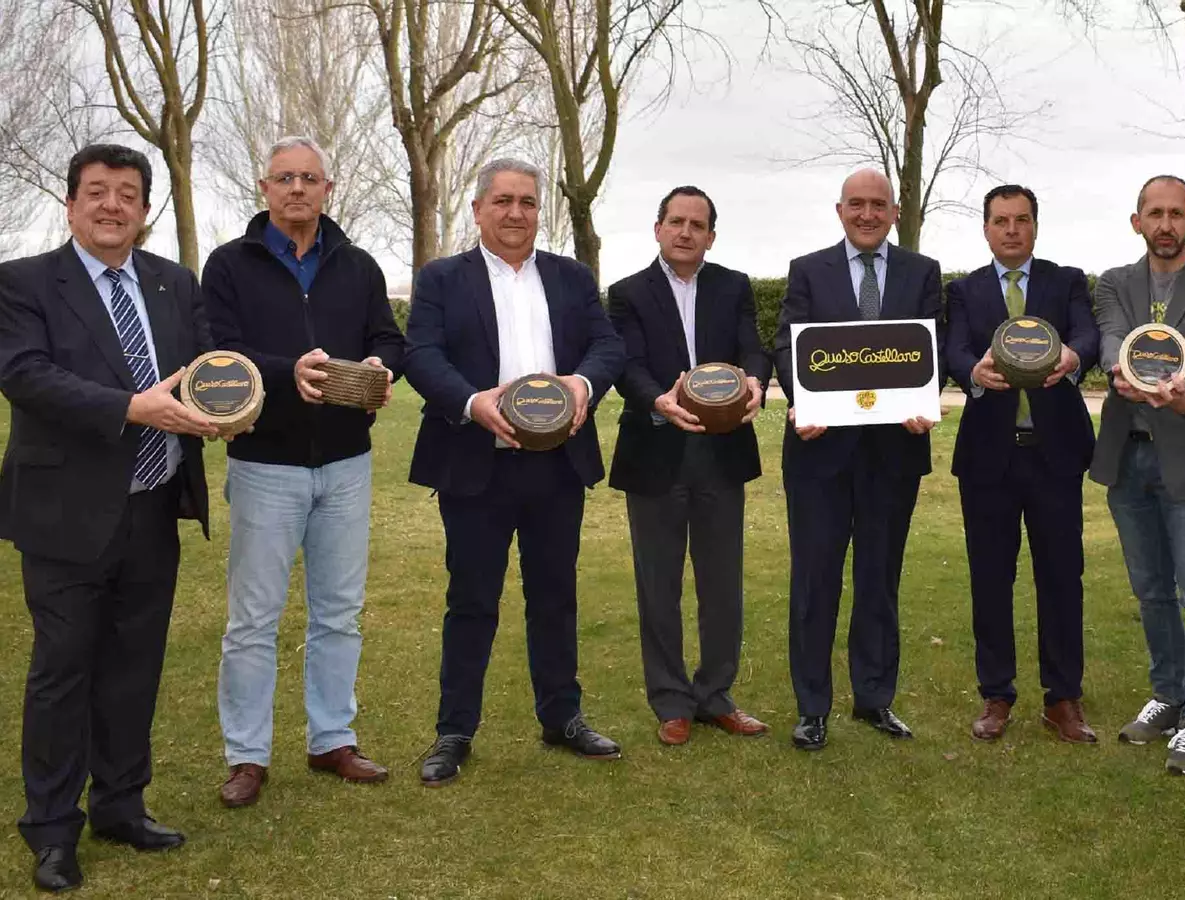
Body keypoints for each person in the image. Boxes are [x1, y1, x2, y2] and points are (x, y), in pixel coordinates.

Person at [0, 144, 216, 892]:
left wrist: (235, 401)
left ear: (145, 210)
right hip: (65, 514)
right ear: (71, 205)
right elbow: (24, 375)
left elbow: (209, 367)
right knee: (62, 673)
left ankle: (121, 806)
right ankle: (52, 829)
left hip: (154, 505)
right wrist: (131, 407)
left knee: (134, 666)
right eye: (96, 191)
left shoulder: (172, 282)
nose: (112, 205)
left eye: (128, 193)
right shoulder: (23, 282)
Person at [405, 158, 626, 784]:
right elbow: (421, 354)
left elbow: (607, 346)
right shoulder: (442, 278)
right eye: (502, 201)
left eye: (527, 202)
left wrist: (582, 386)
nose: (515, 212)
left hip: (557, 466)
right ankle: (455, 730)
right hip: (476, 465)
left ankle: (562, 716)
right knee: (471, 600)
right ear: (478, 209)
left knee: (555, 596)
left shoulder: (571, 277)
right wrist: (473, 403)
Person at [204, 136, 404, 808]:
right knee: (253, 620)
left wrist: (381, 367)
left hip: (346, 463)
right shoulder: (229, 264)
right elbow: (217, 351)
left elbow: (388, 337)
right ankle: (247, 755)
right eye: (285, 177)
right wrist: (286, 372)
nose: (297, 188)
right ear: (264, 188)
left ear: (327, 189)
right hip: (265, 462)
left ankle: (331, 739)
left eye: (309, 178)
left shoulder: (359, 265)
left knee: (339, 614)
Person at [772, 168, 941, 751]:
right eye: (857, 204)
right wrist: (801, 399)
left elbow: (930, 347)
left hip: (894, 451)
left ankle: (874, 698)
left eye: (878, 205)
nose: (867, 214)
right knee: (815, 582)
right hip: (819, 453)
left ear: (894, 212)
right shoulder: (807, 270)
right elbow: (787, 345)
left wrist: (925, 400)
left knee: (879, 579)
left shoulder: (922, 272)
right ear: (840, 210)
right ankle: (812, 708)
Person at [606, 186, 769, 745]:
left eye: (697, 225)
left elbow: (753, 348)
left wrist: (755, 382)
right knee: (659, 584)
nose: (685, 232)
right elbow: (625, 364)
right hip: (655, 450)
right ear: (658, 229)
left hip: (722, 452)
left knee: (722, 584)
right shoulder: (627, 293)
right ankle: (672, 701)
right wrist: (659, 400)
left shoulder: (733, 286)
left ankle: (716, 695)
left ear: (711, 237)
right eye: (676, 221)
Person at [1088, 175, 1185, 775]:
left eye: (1177, 214)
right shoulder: (1113, 283)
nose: (1166, 224)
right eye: (1155, 213)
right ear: (1138, 222)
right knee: (1151, 590)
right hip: (1128, 458)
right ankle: (1167, 696)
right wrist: (1121, 371)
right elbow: (1111, 340)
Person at [944, 184, 1100, 743]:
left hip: (1055, 454)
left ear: (1036, 225)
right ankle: (996, 695)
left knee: (1062, 576)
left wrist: (1074, 356)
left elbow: (1089, 334)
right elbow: (953, 348)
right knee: (991, 577)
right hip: (989, 456)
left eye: (1022, 220)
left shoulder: (1066, 281)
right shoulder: (964, 290)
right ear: (986, 228)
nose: (1012, 230)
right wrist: (972, 372)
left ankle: (1063, 699)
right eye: (1001, 221)